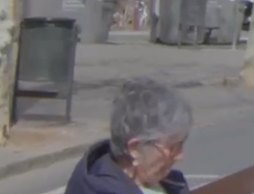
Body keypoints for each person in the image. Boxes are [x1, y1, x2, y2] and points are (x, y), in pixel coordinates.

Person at [64, 77, 193, 194]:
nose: (180, 156)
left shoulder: (170, 182)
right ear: (135, 148)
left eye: (181, 144)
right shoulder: (100, 190)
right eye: (172, 147)